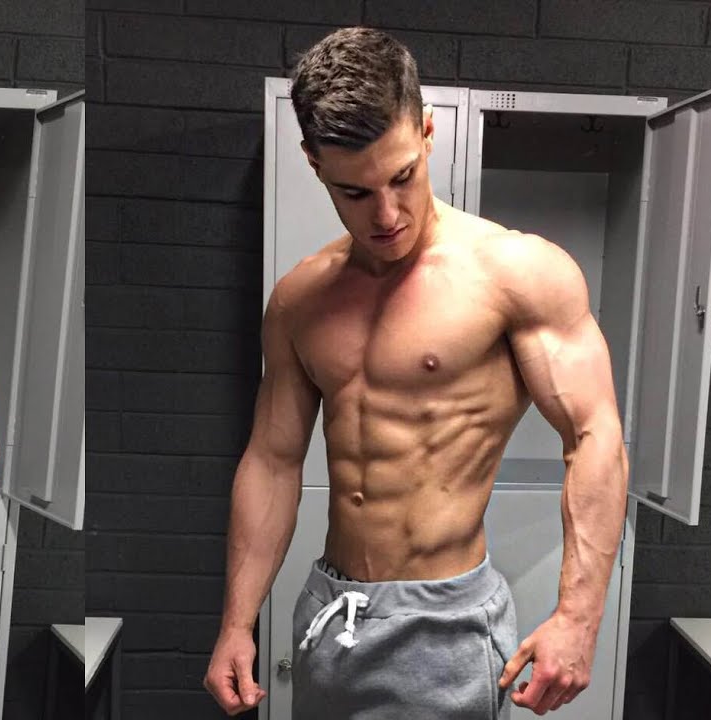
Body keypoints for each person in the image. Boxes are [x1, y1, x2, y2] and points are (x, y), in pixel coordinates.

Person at [203, 27, 628, 719]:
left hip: (447, 624)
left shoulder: (515, 274)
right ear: (313, 164)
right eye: (354, 192)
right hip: (332, 613)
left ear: (427, 132)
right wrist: (236, 622)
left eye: (401, 177)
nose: (387, 214)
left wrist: (578, 619)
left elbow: (594, 434)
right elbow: (273, 460)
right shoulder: (300, 300)